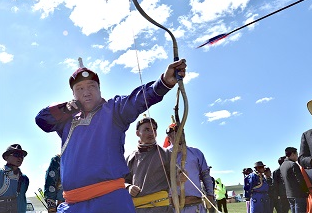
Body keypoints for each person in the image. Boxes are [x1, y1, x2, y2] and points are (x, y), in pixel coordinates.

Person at [35, 57, 187, 213]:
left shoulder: (114, 109)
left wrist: (164, 82)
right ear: (73, 94)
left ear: (99, 89)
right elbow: (41, 120)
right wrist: (66, 109)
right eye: (79, 88)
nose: (86, 92)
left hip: (110, 202)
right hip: (72, 205)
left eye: (91, 86)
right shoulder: (66, 121)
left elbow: (137, 100)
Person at [125, 116, 186, 213]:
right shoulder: (130, 158)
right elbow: (123, 181)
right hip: (137, 209)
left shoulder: (167, 154)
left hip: (162, 209)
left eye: (154, 129)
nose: (151, 132)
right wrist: (128, 187)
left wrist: (180, 178)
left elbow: (175, 180)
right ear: (137, 133)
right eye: (147, 129)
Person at [165, 122, 214, 213]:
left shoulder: (196, 153)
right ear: (169, 138)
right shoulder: (164, 155)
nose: (179, 137)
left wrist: (210, 194)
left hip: (195, 206)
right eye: (175, 135)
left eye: (181, 134)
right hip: (173, 207)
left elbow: (205, 174)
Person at [0, 144, 29, 213]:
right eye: (16, 155)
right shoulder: (0, 174)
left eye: (22, 156)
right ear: (6, 157)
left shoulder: (24, 179)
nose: (20, 158)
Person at [280, 147, 309, 213]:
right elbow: (300, 180)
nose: (297, 156)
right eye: (297, 154)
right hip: (299, 194)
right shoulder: (293, 164)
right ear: (293, 154)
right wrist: (306, 191)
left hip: (289, 195)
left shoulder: (282, 166)